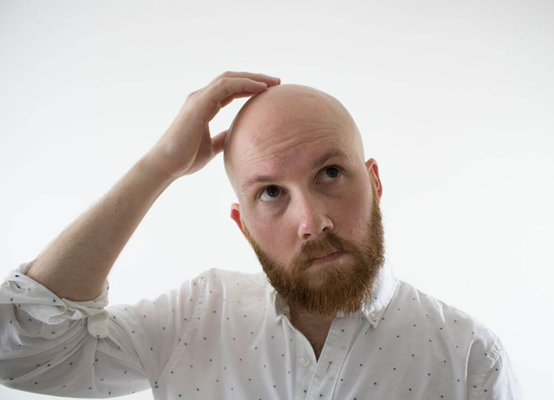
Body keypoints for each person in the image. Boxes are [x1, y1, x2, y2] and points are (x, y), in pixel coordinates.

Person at [0, 71, 522, 399]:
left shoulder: (469, 358)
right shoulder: (197, 315)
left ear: (375, 183)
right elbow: (22, 352)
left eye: (330, 173)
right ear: (243, 225)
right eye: (271, 192)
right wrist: (158, 167)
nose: (312, 222)